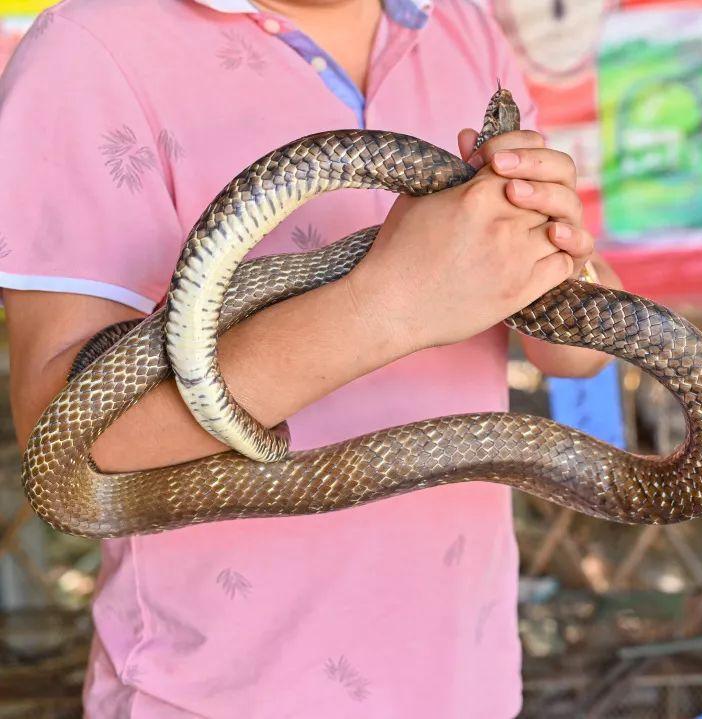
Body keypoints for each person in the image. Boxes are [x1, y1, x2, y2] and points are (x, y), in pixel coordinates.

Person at [0, 0, 620, 716]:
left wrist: (560, 249)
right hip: (213, 692)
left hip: (461, 678)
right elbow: (69, 446)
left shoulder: (463, 29)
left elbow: (572, 357)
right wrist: (384, 306)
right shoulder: (91, 45)